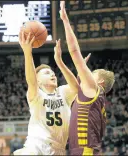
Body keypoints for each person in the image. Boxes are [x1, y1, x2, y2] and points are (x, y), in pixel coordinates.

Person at [14, 30, 89, 155]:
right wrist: (27, 52)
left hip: (58, 150)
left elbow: (76, 89)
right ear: (38, 80)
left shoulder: (63, 92)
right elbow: (31, 81)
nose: (52, 74)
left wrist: (59, 62)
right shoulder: (36, 95)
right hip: (36, 145)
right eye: (47, 73)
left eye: (53, 73)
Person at [58, 1, 115, 155]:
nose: (88, 74)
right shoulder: (93, 97)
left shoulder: (93, 89)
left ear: (100, 82)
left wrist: (65, 20)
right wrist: (60, 63)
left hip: (85, 151)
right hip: (86, 149)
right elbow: (77, 86)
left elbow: (74, 51)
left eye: (92, 73)